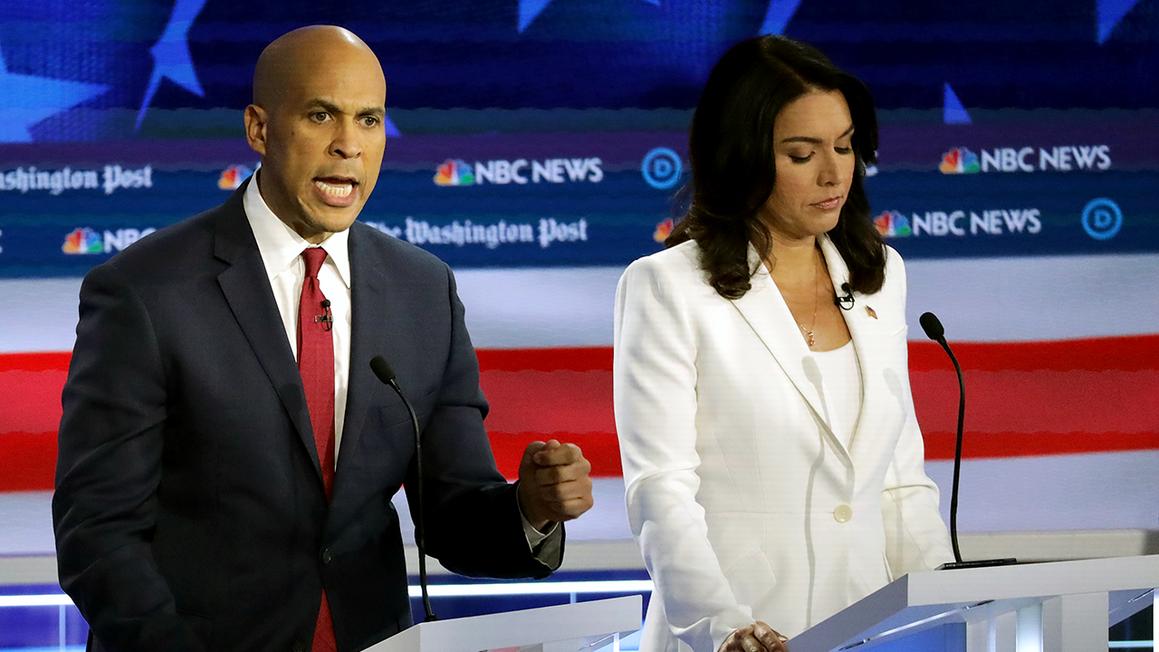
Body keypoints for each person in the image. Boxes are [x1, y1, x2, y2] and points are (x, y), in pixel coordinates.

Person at [53, 25, 594, 652]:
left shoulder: (423, 291)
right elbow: (98, 531)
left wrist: (529, 508)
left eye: (369, 121)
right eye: (320, 116)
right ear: (258, 129)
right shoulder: (146, 291)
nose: (348, 146)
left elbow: (451, 513)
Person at [613, 36, 953, 651]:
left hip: (871, 629)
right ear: (741, 156)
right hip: (739, 633)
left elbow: (900, 480)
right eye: (802, 154)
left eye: (845, 147)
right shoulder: (666, 286)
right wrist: (723, 625)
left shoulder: (881, 274)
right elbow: (660, 487)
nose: (833, 173)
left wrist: (948, 604)